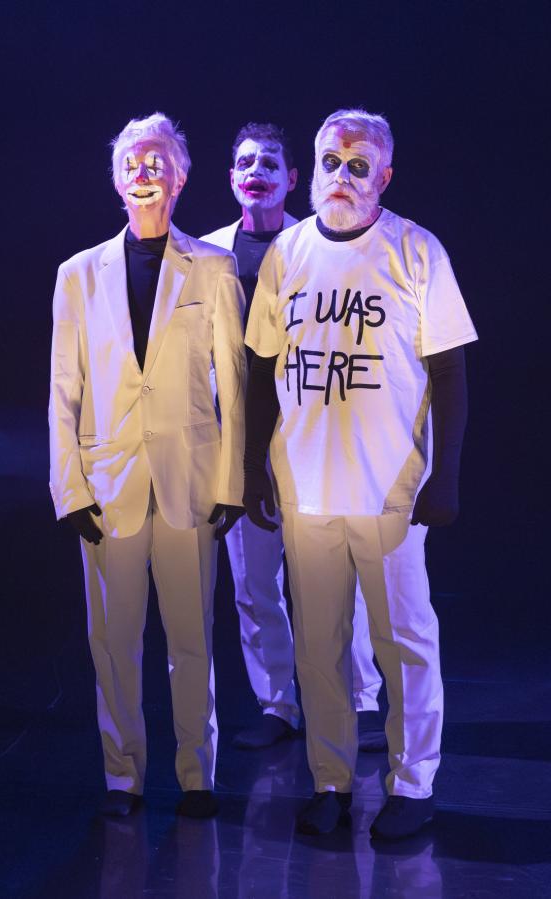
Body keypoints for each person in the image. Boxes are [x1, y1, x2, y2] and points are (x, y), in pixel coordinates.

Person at [244, 108, 477, 839]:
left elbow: (450, 374)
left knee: (403, 641)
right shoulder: (287, 252)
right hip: (306, 486)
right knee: (318, 645)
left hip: (390, 490)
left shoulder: (416, 250)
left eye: (358, 165)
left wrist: (446, 476)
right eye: (330, 162)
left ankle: (413, 783)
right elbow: (260, 368)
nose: (341, 176)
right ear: (313, 169)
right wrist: (253, 465)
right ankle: (330, 780)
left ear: (384, 176)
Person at [49, 113, 246, 819]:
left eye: (157, 160)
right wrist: (68, 487)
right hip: (108, 487)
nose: (144, 171)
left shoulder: (213, 267)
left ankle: (197, 776)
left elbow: (233, 384)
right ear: (116, 179)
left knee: (192, 640)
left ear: (181, 177)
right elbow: (64, 388)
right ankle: (122, 778)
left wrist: (231, 482)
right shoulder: (78, 275)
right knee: (113, 644)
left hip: (189, 483)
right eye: (131, 162)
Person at [202, 123, 384, 750]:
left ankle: (360, 701)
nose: (256, 171)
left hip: (315, 437)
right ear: (232, 177)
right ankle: (277, 705)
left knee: (338, 579)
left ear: (292, 179)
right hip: (237, 441)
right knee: (255, 583)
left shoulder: (321, 244)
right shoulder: (206, 254)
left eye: (270, 163)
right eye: (245, 162)